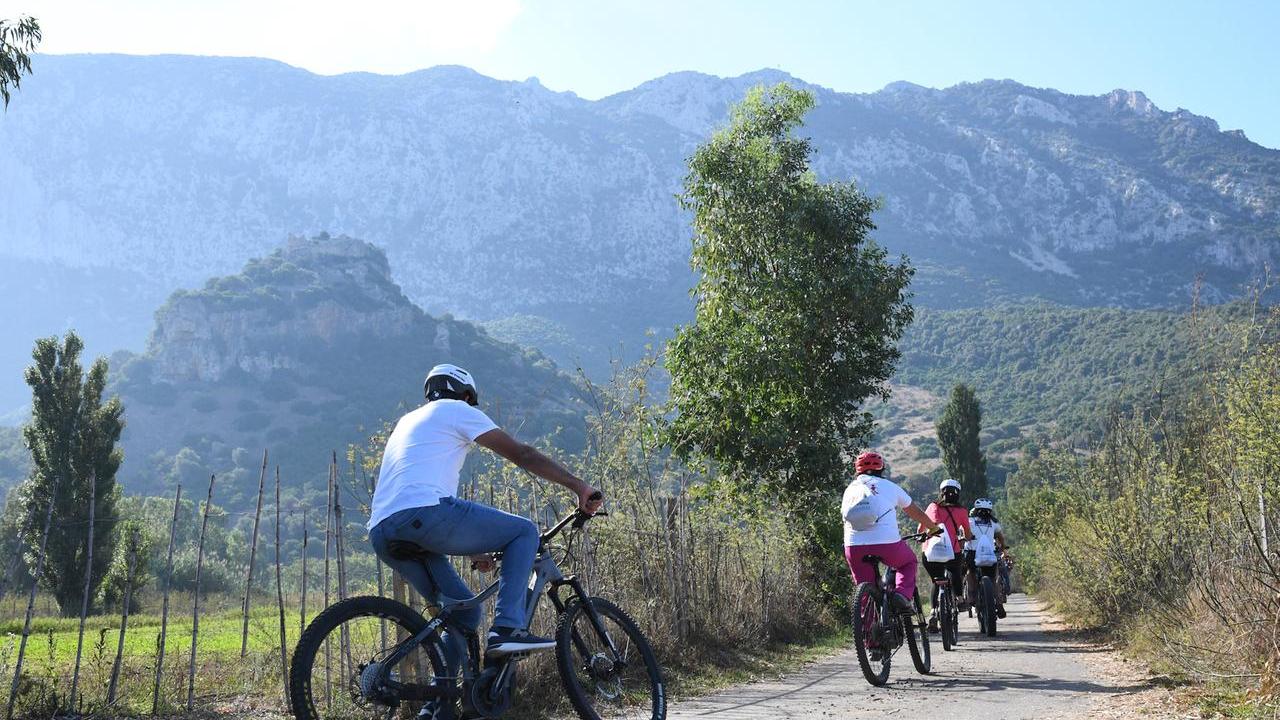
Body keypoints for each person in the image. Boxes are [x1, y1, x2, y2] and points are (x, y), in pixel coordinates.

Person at [367, 364, 604, 665]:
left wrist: (475, 549)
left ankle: (437, 709)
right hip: (425, 513)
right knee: (524, 532)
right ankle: (507, 628)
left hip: (383, 530)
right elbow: (523, 455)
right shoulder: (455, 409)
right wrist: (578, 485)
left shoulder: (407, 422)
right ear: (465, 394)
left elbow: (416, 500)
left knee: (463, 614)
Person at [842, 451, 942, 658]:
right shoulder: (889, 487)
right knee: (907, 562)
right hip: (887, 544)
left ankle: (873, 644)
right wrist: (932, 528)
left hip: (854, 546)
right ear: (881, 469)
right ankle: (901, 596)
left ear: (857, 471)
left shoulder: (850, 489)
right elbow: (913, 511)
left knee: (865, 595)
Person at [918, 478, 972, 631]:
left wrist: (921, 536)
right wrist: (966, 537)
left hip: (930, 552)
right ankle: (960, 599)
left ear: (941, 493)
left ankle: (934, 612)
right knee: (955, 572)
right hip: (952, 551)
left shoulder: (932, 507)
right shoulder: (962, 511)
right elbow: (967, 535)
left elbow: (920, 529)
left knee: (937, 580)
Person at [964, 498, 1009, 618]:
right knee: (994, 578)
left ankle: (971, 597)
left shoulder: (969, 521)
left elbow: (963, 535)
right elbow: (1000, 537)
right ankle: (999, 604)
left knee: (970, 572)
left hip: (972, 554)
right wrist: (1004, 548)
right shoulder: (993, 522)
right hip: (990, 555)